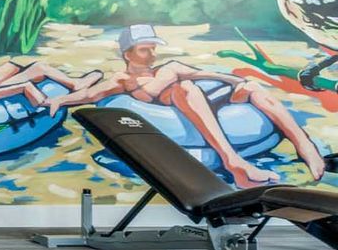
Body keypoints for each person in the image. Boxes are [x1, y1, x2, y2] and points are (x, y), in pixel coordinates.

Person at [45, 24, 325, 186]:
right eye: (144, 49)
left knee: (250, 88)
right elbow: (91, 94)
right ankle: (234, 163)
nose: (152, 54)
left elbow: (211, 76)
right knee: (185, 88)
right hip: (183, 108)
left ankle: (306, 147)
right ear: (127, 54)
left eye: (153, 48)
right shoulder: (125, 80)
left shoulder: (170, 68)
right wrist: (59, 99)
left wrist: (239, 82)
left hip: (212, 104)